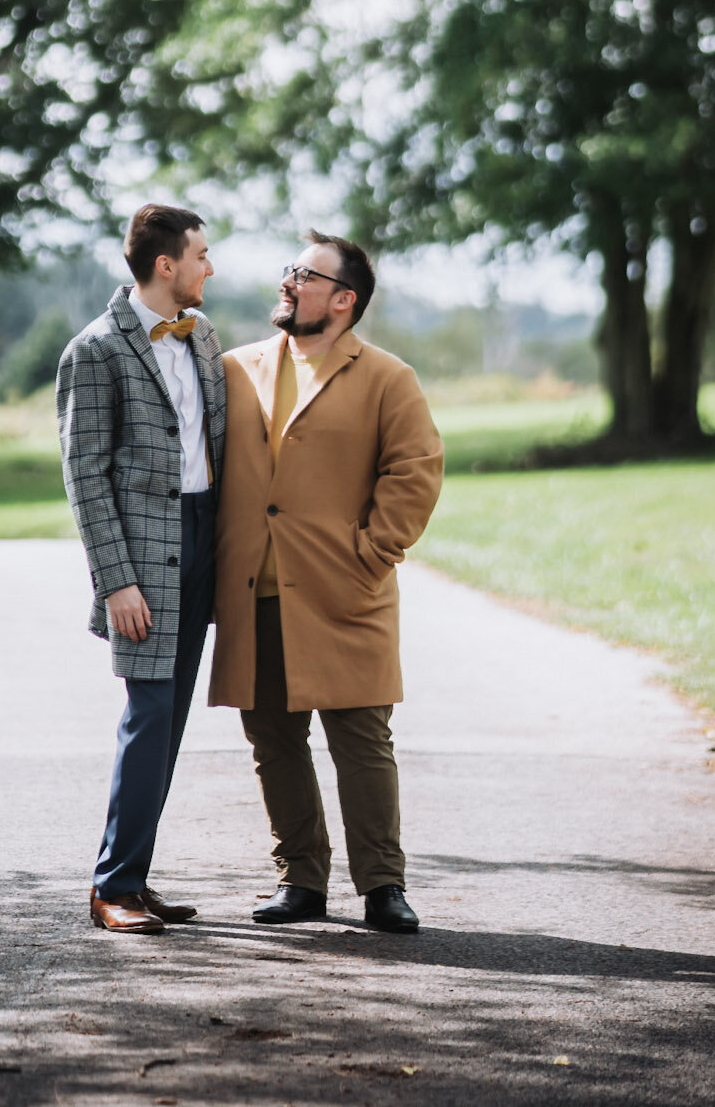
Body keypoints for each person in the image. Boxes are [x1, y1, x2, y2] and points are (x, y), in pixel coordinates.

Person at [210, 231, 444, 934]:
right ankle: (301, 881)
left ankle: (383, 886)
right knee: (274, 743)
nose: (288, 283)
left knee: (362, 742)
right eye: (289, 271)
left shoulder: (387, 378)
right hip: (256, 592)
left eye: (305, 276)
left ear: (343, 301)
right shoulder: (234, 369)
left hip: (346, 591)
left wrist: (372, 553)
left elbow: (416, 470)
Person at [57, 203, 225, 933]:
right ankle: (112, 888)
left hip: (204, 543)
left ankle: (137, 878)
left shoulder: (204, 337)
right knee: (149, 712)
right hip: (141, 561)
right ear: (168, 265)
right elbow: (84, 475)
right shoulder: (94, 349)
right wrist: (115, 580)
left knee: (171, 720)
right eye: (201, 255)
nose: (209, 268)